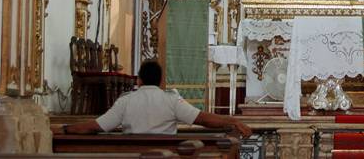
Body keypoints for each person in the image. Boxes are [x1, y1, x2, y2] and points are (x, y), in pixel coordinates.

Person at [54, 60, 252, 138]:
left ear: (138, 80)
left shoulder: (125, 101)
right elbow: (203, 119)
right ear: (160, 81)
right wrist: (232, 120)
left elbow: (96, 126)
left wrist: (64, 129)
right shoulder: (171, 100)